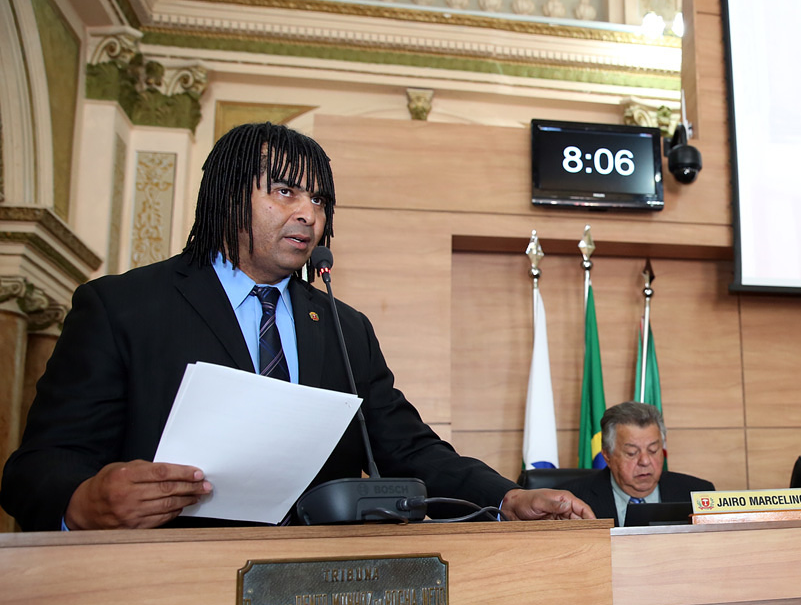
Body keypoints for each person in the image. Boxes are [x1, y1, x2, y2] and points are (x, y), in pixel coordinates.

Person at [0, 122, 593, 531]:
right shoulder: (122, 307)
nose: (308, 214)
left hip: (317, 590)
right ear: (230, 197)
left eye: (318, 200)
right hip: (161, 589)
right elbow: (36, 466)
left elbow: (407, 449)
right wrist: (81, 501)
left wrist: (506, 498)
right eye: (284, 192)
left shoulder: (343, 327)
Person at [557, 401, 714, 526]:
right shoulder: (573, 500)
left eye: (653, 450)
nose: (645, 461)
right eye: (632, 453)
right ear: (607, 456)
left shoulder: (698, 494)